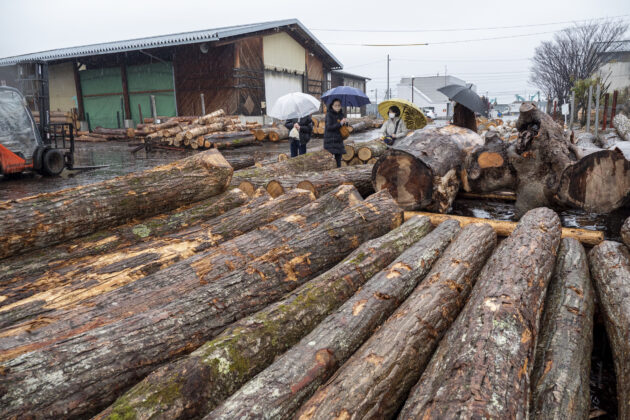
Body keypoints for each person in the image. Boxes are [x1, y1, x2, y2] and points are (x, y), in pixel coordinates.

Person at [323, 98, 347, 167]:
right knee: (329, 162)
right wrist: (340, 124)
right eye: (335, 105)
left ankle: (338, 176)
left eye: (339, 105)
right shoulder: (329, 115)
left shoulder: (341, 114)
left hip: (338, 141)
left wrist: (345, 123)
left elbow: (342, 128)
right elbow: (329, 127)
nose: (337, 107)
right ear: (332, 106)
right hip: (331, 141)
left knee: (338, 162)